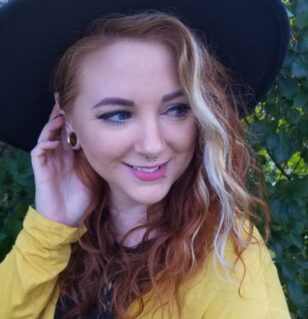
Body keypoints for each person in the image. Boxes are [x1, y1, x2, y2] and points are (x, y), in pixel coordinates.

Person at [0, 0, 291, 318]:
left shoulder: (228, 262)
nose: (153, 145)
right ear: (67, 119)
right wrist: (49, 231)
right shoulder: (61, 232)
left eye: (178, 109)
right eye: (119, 115)